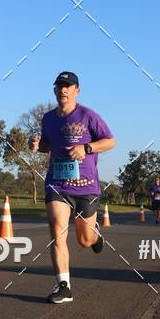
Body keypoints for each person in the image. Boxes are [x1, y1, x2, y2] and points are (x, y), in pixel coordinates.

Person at [29, 71, 115, 304]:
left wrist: (87, 148)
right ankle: (63, 286)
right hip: (57, 184)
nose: (63, 90)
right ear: (55, 90)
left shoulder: (88, 115)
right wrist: (37, 145)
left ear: (77, 90)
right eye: (59, 86)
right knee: (57, 230)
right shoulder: (48, 118)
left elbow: (110, 141)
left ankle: (95, 235)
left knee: (84, 241)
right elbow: (48, 145)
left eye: (68, 86)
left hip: (86, 187)